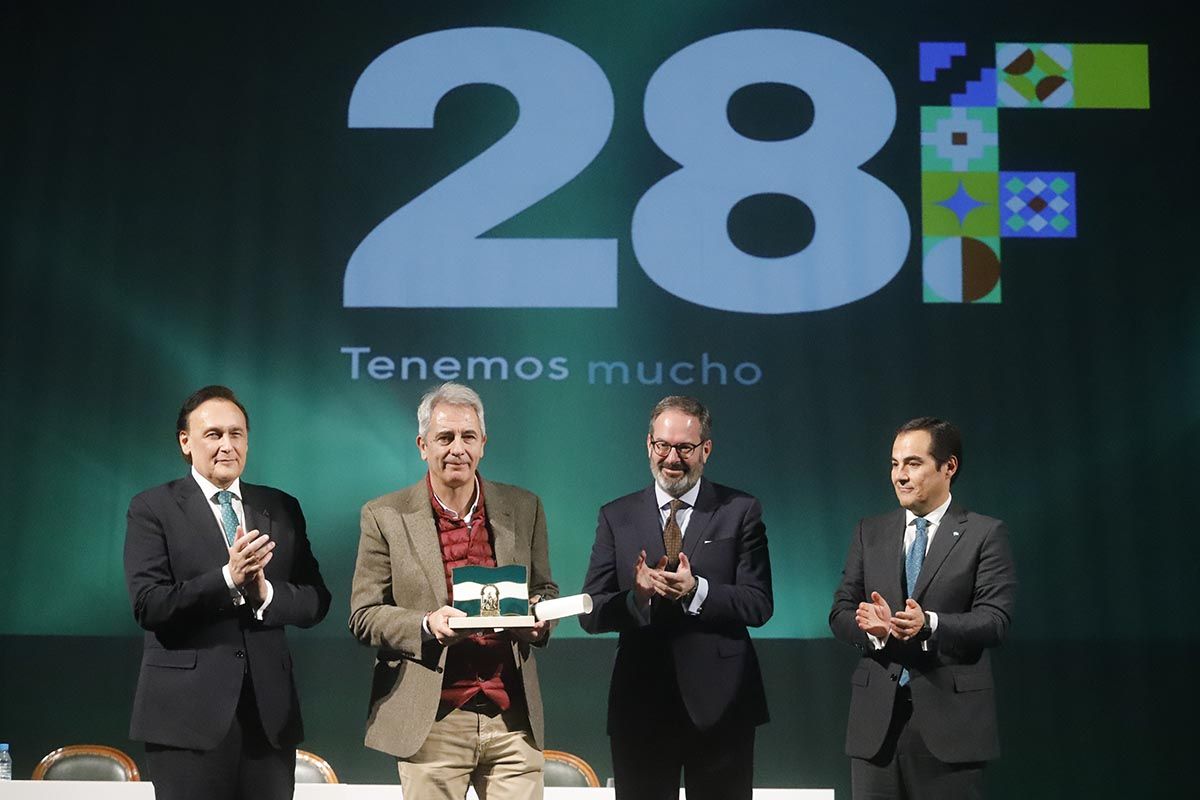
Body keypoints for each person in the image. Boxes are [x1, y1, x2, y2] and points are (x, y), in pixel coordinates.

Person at [348, 382, 558, 799]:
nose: (456, 448)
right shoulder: (385, 515)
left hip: (511, 717)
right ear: (422, 445)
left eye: (467, 437)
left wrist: (538, 619)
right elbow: (364, 614)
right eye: (444, 438)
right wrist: (426, 624)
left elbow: (544, 589)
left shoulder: (524, 507)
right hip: (434, 720)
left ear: (483, 443)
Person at [124, 385, 331, 800]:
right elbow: (150, 604)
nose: (226, 445)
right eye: (213, 434)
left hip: (268, 719)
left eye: (236, 434)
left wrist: (265, 593)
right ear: (186, 442)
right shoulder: (153, 508)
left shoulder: (281, 507)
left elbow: (315, 600)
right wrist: (227, 579)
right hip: (187, 721)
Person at [580, 395, 772, 800]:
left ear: (706, 449)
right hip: (640, 705)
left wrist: (697, 590)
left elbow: (758, 603)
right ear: (648, 444)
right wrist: (637, 598)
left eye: (684, 447)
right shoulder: (617, 516)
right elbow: (591, 611)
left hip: (722, 706)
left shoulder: (740, 510)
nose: (672, 458)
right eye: (662, 446)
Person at [829, 417, 1016, 799]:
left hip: (951, 725)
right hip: (876, 727)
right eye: (895, 464)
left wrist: (929, 624)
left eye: (913, 463)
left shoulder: (984, 533)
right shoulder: (870, 531)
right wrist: (872, 631)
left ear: (949, 467)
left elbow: (995, 621)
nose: (899, 475)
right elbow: (841, 611)